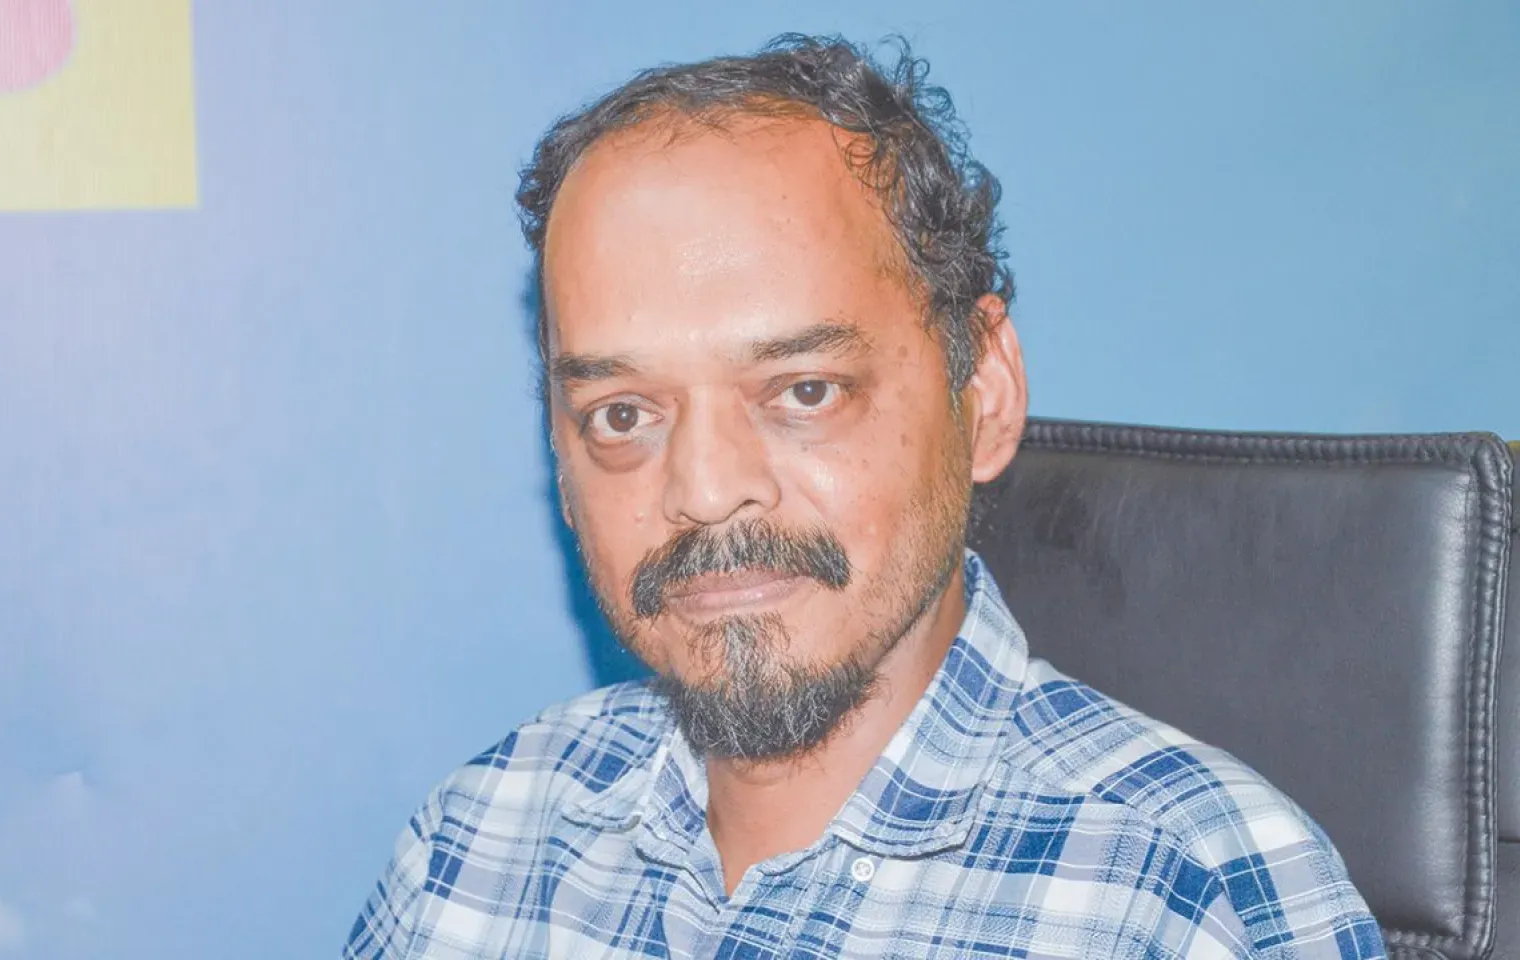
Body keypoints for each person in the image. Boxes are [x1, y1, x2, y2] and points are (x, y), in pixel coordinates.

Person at [344, 35, 1385, 959]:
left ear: (981, 392)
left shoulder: (1192, 897)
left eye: (804, 391)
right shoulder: (477, 845)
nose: (705, 490)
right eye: (622, 414)